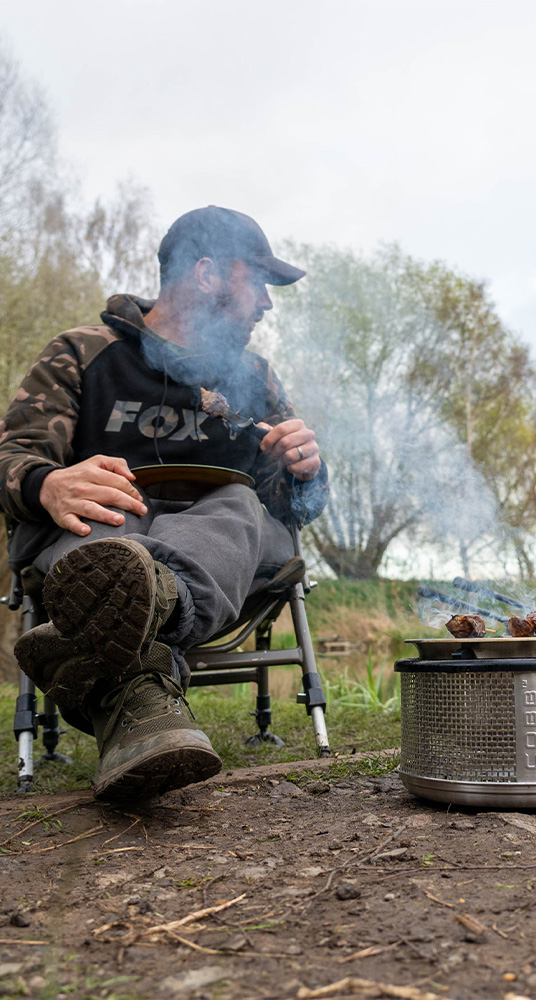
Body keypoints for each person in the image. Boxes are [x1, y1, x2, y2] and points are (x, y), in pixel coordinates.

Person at [0, 206, 329, 799]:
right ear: (204, 274)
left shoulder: (253, 376)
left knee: (236, 499)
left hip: (221, 539)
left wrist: (304, 471)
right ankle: (144, 697)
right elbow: (13, 457)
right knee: (111, 517)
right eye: (256, 280)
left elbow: (291, 510)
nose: (266, 303)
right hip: (106, 529)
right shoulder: (82, 352)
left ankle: (143, 607)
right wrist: (48, 483)